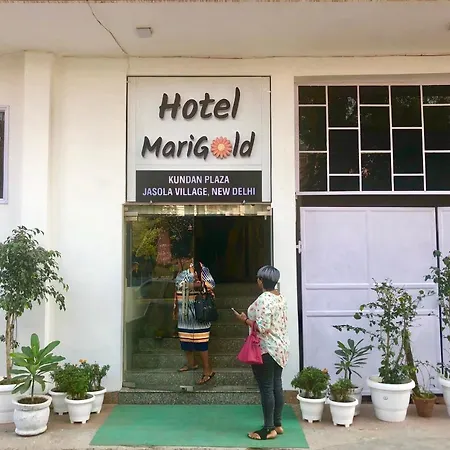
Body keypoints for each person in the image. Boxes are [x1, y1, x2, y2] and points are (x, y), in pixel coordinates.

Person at [233, 265, 289, 441]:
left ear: (261, 281)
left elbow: (263, 327)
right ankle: (277, 424)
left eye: (258, 278)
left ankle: (268, 429)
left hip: (266, 348)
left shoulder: (264, 299)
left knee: (266, 388)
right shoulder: (280, 297)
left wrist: (244, 320)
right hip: (281, 347)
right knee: (276, 385)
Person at [173, 260, 216, 385]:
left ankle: (208, 370)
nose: (182, 261)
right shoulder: (180, 271)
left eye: (185, 258)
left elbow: (211, 284)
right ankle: (191, 363)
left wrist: (197, 284)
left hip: (199, 314)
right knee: (185, 341)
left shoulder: (202, 269)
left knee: (201, 343)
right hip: (184, 314)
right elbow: (178, 284)